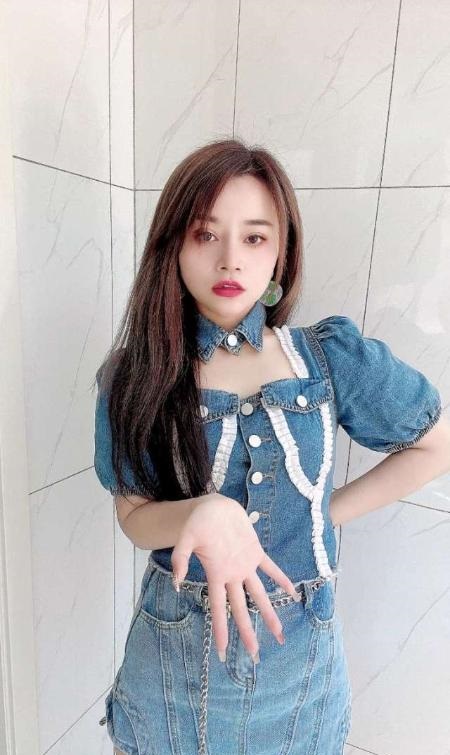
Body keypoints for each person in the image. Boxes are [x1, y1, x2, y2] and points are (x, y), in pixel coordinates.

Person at [93, 137, 444, 755]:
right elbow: (134, 517)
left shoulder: (330, 358)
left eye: (254, 237)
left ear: (282, 252)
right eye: (205, 234)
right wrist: (202, 512)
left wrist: (322, 513)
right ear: (174, 245)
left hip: (301, 665)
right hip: (171, 664)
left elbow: (434, 446)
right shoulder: (136, 374)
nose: (230, 260)